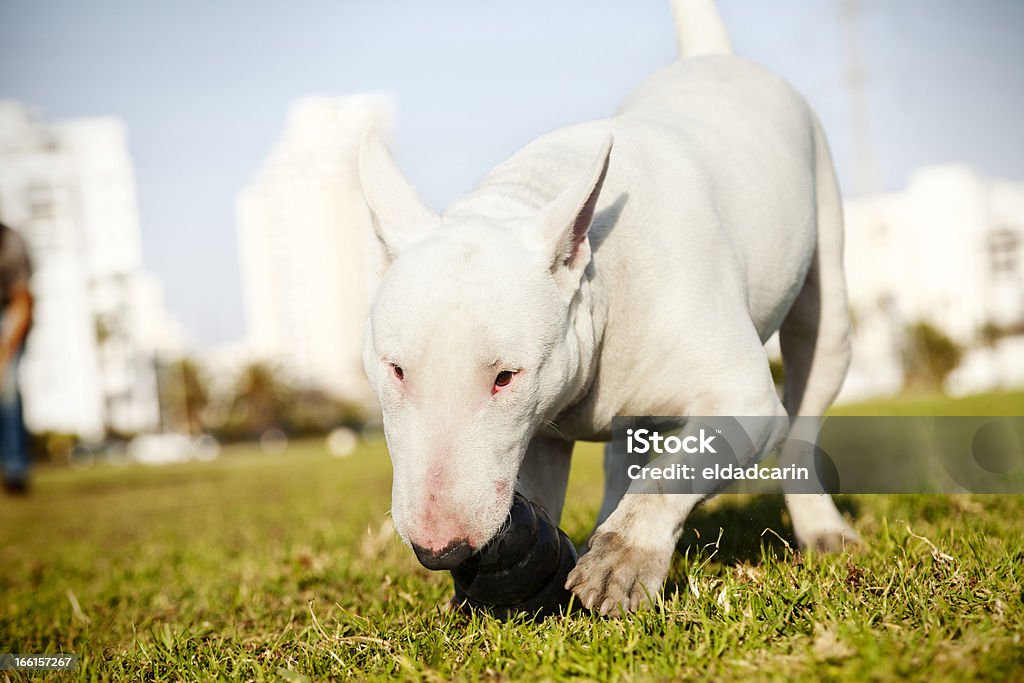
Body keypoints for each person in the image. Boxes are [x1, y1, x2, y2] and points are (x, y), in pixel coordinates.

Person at [0, 221, 33, 494]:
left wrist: (5, 346)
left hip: (8, 316)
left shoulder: (10, 243)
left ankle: (15, 469)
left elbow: (21, 300)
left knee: (6, 388)